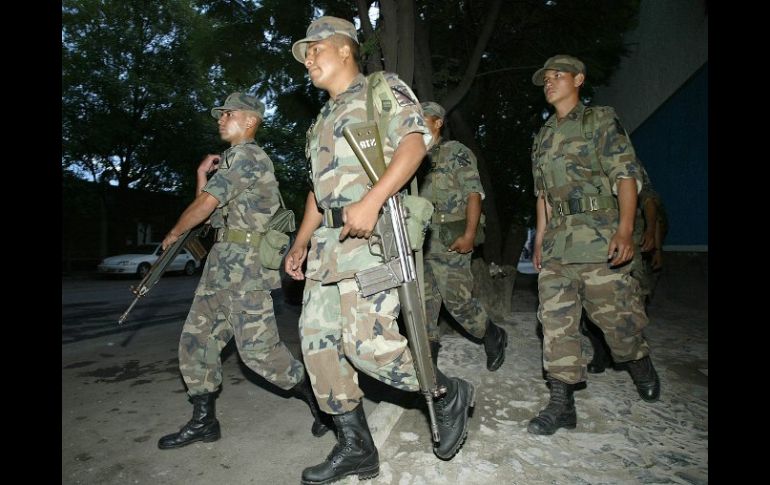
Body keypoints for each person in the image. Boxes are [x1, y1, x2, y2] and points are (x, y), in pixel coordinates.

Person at [286, 16, 475, 484]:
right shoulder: (321, 120)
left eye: (316, 49)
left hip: (373, 240)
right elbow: (317, 192)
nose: (309, 59)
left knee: (367, 345)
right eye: (305, 54)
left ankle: (445, 392)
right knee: (317, 346)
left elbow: (415, 144)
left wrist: (372, 200)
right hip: (327, 248)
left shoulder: (380, 90)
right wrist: (300, 241)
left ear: (344, 48)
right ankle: (356, 447)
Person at [156, 92, 330, 450]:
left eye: (228, 114)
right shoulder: (231, 162)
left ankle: (321, 402)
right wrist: (201, 175)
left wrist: (174, 232)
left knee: (258, 353)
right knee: (196, 342)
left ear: (250, 121)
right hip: (220, 267)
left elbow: (206, 205)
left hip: (246, 270)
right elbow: (210, 215)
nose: (221, 119)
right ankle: (204, 422)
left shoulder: (249, 156)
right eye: (220, 114)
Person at [528, 55, 661, 436]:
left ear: (579, 80)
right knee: (555, 321)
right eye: (546, 78)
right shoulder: (542, 136)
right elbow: (543, 195)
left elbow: (625, 174)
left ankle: (638, 361)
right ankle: (561, 403)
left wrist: (625, 229)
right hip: (558, 243)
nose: (550, 82)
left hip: (599, 236)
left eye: (558, 75)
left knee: (618, 321)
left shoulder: (599, 120)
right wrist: (540, 239)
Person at [418, 101, 507, 371]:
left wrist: (469, 234)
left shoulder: (455, 152)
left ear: (438, 122)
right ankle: (428, 362)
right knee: (423, 303)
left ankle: (492, 334)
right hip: (419, 242)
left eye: (423, 117)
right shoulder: (412, 158)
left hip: (450, 240)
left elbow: (473, 194)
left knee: (457, 301)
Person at [581, 163, 667, 373]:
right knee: (591, 298)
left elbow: (649, 200)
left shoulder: (625, 160)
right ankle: (601, 353)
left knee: (631, 299)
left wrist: (652, 237)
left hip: (630, 240)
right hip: (595, 239)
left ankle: (635, 357)